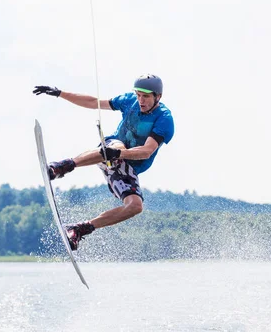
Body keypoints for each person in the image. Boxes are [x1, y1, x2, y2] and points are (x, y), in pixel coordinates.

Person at [32, 74, 174, 250]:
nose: (140, 100)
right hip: (109, 150)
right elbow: (94, 102)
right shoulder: (129, 101)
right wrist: (60, 93)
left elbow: (146, 151)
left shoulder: (164, 119)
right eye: (138, 95)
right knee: (117, 146)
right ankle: (62, 167)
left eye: (145, 96)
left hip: (126, 165)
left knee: (135, 206)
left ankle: (79, 229)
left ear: (157, 97)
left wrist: (120, 154)